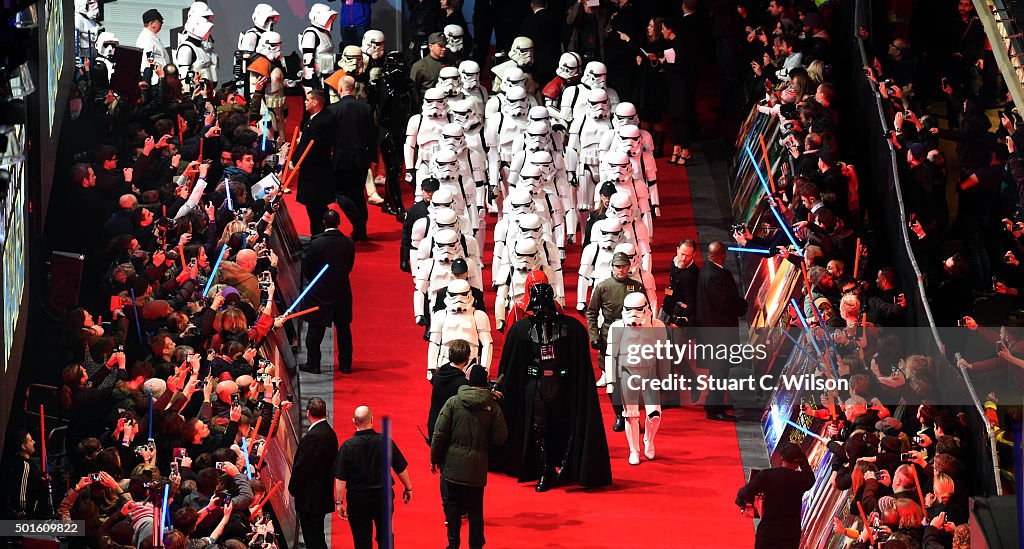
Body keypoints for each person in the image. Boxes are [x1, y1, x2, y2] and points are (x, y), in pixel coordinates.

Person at [494, 282, 612, 492]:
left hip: (562, 386)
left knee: (564, 426)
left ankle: (565, 467)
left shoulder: (571, 329)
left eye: (546, 308)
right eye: (538, 309)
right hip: (536, 386)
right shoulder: (521, 331)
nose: (543, 313)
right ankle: (544, 470)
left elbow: (579, 365)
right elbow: (512, 367)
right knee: (539, 429)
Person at [430, 364, 508, 549]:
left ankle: (453, 543)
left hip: (452, 467)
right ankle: (476, 545)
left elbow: (439, 433)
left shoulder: (453, 402)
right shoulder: (492, 406)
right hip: (477, 468)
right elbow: (501, 437)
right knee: (475, 509)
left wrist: (434, 458)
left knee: (453, 507)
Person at [334, 406, 414, 549]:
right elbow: (400, 467)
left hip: (358, 499)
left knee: (362, 539)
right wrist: (408, 488)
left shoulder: (347, 447)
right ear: (372, 419)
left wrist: (339, 502)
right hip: (383, 496)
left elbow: (340, 479)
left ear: (354, 421)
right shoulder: (385, 441)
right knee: (385, 535)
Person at [587, 252, 646, 431]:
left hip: (633, 336)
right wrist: (595, 336)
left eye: (623, 266)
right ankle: (619, 414)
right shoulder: (603, 287)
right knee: (614, 381)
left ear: (629, 267)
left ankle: (633, 415)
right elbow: (592, 312)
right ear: (612, 267)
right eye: (617, 266)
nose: (620, 270)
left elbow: (646, 312)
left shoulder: (637, 287)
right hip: (610, 336)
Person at [694, 241, 748, 421]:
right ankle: (714, 409)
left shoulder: (707, 271)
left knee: (718, 371)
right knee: (719, 371)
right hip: (718, 334)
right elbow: (725, 303)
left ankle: (713, 401)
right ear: (721, 255)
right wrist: (743, 306)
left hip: (712, 332)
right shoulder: (716, 275)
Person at [301, 210, 356, 374]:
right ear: (339, 222)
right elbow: (349, 266)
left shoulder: (316, 243)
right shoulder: (348, 242)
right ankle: (346, 364)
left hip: (320, 291)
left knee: (315, 329)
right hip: (342, 290)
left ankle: (313, 363)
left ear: (324, 222)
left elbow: (307, 268)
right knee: (344, 329)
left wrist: (317, 282)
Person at [735, 442, 815, 549]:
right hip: (790, 535)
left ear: (781, 457)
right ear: (798, 460)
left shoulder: (766, 475)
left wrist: (742, 502)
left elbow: (743, 494)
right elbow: (809, 475)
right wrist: (802, 458)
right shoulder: (802, 479)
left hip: (768, 533)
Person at [329, 75, 378, 241]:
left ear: (340, 88)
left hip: (341, 158)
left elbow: (329, 137)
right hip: (361, 158)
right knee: (358, 193)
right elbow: (372, 135)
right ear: (354, 88)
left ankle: (357, 223)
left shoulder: (333, 109)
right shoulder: (366, 108)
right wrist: (373, 157)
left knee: (341, 193)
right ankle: (361, 230)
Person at [288, 398, 339, 549]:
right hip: (321, 494)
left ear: (308, 413)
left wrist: (293, 487)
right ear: (325, 413)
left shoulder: (313, 436)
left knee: (313, 537)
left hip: (310, 498)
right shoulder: (330, 433)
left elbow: (302, 467)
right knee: (316, 534)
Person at [294, 90, 336, 236]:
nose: (305, 102)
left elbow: (311, 147)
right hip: (312, 171)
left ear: (315, 102)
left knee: (315, 208)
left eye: (307, 100)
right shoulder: (314, 120)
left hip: (316, 173)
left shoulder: (322, 122)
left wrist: (296, 160)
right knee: (314, 208)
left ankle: (319, 236)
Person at [427, 339, 473, 444]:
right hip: (449, 432)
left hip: (434, 425)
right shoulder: (463, 384)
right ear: (467, 358)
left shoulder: (438, 375)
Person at [2, 430, 48, 519]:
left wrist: (42, 484)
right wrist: (26, 515)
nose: (34, 442)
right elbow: (21, 494)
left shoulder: (27, 464)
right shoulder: (23, 465)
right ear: (23, 446)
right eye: (31, 440)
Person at [401, 177, 440, 272]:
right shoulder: (414, 210)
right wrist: (404, 258)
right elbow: (407, 234)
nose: (430, 194)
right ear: (422, 191)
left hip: (440, 251)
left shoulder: (446, 208)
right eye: (427, 191)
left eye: (433, 191)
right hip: (419, 251)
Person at [411, 33, 450, 101]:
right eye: (440, 46)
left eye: (444, 46)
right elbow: (414, 91)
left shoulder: (449, 63)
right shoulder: (420, 66)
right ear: (431, 46)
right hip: (428, 105)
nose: (443, 49)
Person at [134, 9, 168, 76]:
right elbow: (147, 62)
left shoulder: (151, 36)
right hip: (154, 80)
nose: (162, 23)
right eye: (160, 21)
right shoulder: (146, 38)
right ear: (151, 23)